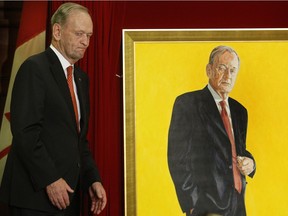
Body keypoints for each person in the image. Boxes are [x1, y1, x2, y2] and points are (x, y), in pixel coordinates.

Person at [0, 3, 107, 216]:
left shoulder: (80, 78)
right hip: (34, 198)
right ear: (57, 31)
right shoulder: (34, 68)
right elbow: (26, 133)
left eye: (89, 35)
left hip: (68, 199)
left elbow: (78, 141)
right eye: (79, 34)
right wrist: (50, 179)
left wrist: (92, 178)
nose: (85, 42)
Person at [168, 45, 256, 216]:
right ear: (209, 70)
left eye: (232, 70)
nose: (227, 76)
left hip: (237, 205)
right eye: (222, 68)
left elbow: (236, 150)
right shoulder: (187, 104)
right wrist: (193, 205)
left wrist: (251, 163)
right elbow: (177, 158)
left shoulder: (240, 111)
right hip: (206, 208)